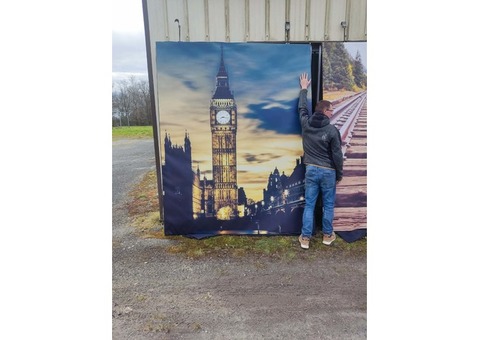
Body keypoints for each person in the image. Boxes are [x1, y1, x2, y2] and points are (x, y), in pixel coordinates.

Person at [297, 73, 343, 249]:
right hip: (328, 171)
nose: (332, 112)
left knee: (309, 204)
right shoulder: (332, 130)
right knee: (328, 205)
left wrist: (303, 89)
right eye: (331, 109)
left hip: (311, 170)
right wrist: (339, 173)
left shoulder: (306, 124)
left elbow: (301, 108)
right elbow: (337, 155)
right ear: (324, 111)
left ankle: (306, 238)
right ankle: (327, 235)